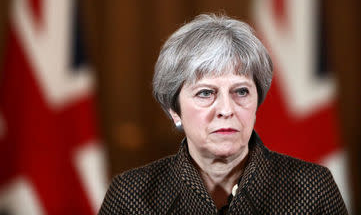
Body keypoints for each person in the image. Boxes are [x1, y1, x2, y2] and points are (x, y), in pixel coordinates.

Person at [99, 14, 348, 214]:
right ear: (174, 110)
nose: (227, 110)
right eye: (206, 93)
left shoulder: (312, 187)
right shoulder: (131, 196)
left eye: (241, 91)